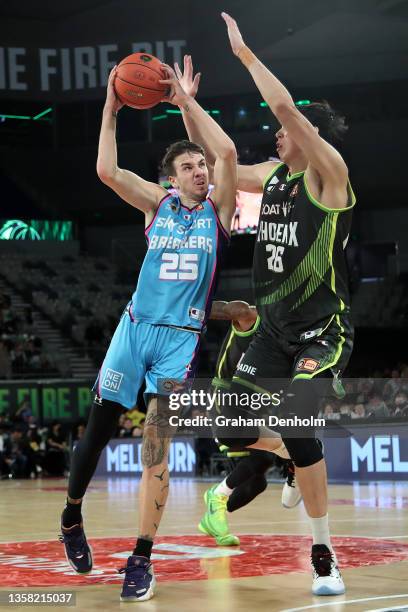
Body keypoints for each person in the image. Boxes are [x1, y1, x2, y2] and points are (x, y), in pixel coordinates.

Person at [179, 11, 355, 596]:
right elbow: (223, 156)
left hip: (318, 332)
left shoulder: (329, 176)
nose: (276, 134)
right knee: (229, 425)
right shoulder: (276, 175)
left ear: (308, 137)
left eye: (285, 131)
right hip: (272, 331)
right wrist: (184, 104)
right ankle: (290, 454)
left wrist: (246, 55)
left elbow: (286, 113)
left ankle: (324, 554)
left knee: (301, 427)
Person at [59, 63, 247, 603]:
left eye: (199, 166)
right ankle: (72, 516)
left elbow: (229, 154)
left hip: (179, 343)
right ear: (171, 178)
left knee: (155, 450)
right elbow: (106, 170)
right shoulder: (155, 204)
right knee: (97, 432)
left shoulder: (219, 211)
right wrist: (109, 111)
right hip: (134, 329)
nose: (199, 172)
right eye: (188, 167)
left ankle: (140, 559)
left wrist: (187, 104)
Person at [199, 300, 301, 547]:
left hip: (257, 404)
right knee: (260, 459)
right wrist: (191, 305)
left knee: (258, 481)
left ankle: (212, 513)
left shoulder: (292, 339)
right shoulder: (254, 319)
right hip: (227, 396)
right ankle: (216, 498)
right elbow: (236, 310)